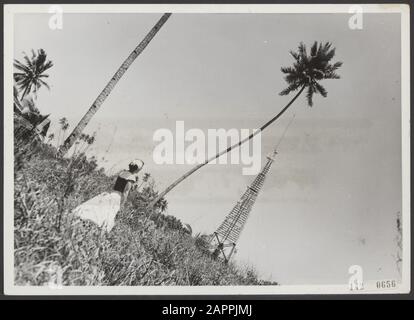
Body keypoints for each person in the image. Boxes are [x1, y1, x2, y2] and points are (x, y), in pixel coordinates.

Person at [73, 159, 144, 232]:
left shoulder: (123, 172)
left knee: (100, 209)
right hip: (117, 197)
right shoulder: (131, 177)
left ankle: (86, 224)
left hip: (111, 193)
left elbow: (115, 185)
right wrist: (121, 205)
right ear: (137, 169)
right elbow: (126, 192)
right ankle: (95, 230)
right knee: (108, 214)